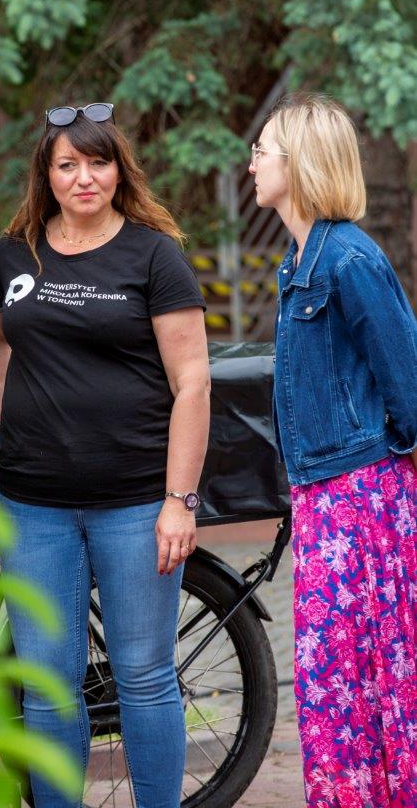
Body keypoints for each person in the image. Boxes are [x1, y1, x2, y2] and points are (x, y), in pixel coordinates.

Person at [0, 102, 210, 808]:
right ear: (46, 176)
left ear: (119, 171)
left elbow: (193, 383)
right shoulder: (14, 254)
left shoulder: (154, 255)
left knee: (144, 677)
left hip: (136, 502)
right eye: (68, 164)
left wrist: (179, 501)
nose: (84, 178)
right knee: (49, 686)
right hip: (32, 505)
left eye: (98, 162)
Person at [249, 93, 417, 807]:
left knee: (371, 680)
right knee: (335, 682)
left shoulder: (349, 259)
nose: (251, 163)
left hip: (365, 498)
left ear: (298, 162)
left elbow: (407, 382)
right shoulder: (301, 261)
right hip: (326, 495)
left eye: (262, 150)